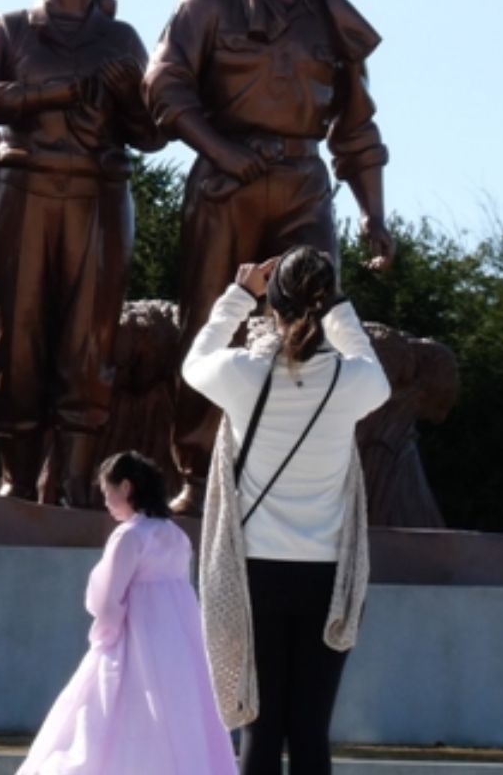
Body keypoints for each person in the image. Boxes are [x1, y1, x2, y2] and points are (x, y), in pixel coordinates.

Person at [144, 0, 392, 514]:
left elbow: (357, 127)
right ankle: (198, 474)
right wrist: (221, 150)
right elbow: (165, 86)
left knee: (318, 315)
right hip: (227, 182)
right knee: (209, 317)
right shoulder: (210, 1)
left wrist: (373, 214)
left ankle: (305, 474)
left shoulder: (335, 21)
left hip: (304, 184)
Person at [0, 0, 162, 506]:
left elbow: (150, 134)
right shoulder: (13, 27)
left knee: (88, 346)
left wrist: (128, 97)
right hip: (23, 191)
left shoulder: (121, 40)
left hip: (97, 196)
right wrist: (53, 93)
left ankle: (73, 482)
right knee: (15, 343)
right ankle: (17, 478)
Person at [186, 247, 391, 775]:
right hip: (326, 577)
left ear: (270, 306)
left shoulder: (242, 374)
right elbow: (373, 368)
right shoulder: (351, 382)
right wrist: (338, 308)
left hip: (256, 572)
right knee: (309, 731)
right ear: (325, 307)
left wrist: (237, 296)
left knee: (261, 726)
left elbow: (194, 363)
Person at [18, 451, 236, 774]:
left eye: (107, 491)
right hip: (179, 649)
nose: (105, 500)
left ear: (126, 487)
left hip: (133, 642)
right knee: (178, 722)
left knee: (106, 718)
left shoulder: (130, 536)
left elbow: (108, 600)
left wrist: (104, 638)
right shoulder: (176, 536)